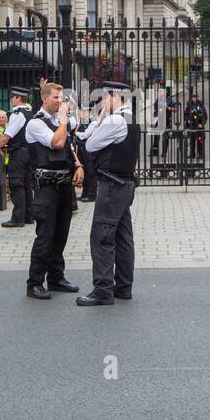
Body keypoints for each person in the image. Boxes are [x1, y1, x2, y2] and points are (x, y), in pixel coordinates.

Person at [76, 81, 137, 306]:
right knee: (123, 237)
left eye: (104, 98)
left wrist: (99, 120)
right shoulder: (132, 118)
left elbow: (90, 145)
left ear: (115, 97)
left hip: (111, 186)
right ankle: (123, 286)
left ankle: (103, 289)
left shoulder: (114, 120)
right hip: (126, 184)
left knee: (102, 237)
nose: (102, 102)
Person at [24, 81, 84, 299]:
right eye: (56, 98)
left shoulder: (57, 121)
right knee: (45, 235)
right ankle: (35, 282)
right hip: (45, 186)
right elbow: (56, 143)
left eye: (61, 98)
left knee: (61, 233)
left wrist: (77, 164)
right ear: (44, 98)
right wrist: (64, 119)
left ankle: (56, 278)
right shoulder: (36, 123)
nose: (60, 102)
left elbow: (67, 146)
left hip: (64, 184)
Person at [0, 86, 36, 228]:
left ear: (18, 98)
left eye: (12, 97)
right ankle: (28, 216)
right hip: (29, 152)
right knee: (27, 185)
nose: (10, 100)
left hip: (19, 153)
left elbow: (8, 135)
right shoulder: (29, 112)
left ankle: (18, 218)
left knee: (16, 184)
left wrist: (0, 146)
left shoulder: (17, 114)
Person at [184, 92, 207, 161]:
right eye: (193, 97)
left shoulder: (201, 104)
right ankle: (192, 154)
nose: (194, 98)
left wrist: (202, 124)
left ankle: (200, 154)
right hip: (191, 126)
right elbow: (185, 114)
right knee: (191, 140)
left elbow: (205, 116)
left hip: (199, 125)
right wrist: (187, 120)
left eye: (195, 97)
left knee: (200, 140)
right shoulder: (189, 105)